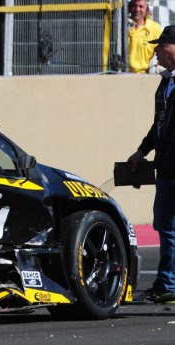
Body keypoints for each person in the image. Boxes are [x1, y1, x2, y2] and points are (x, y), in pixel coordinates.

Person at [127, 25, 175, 304]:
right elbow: (160, 125)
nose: (156, 51)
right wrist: (142, 151)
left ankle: (168, 282)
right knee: (165, 226)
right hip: (166, 168)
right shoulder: (165, 82)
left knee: (169, 227)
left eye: (161, 46)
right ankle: (165, 282)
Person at [128, 0, 162, 73]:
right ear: (130, 7)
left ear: (147, 9)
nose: (137, 9)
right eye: (134, 6)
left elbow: (161, 53)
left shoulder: (155, 28)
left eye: (141, 6)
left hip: (147, 75)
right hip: (123, 74)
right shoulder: (121, 28)